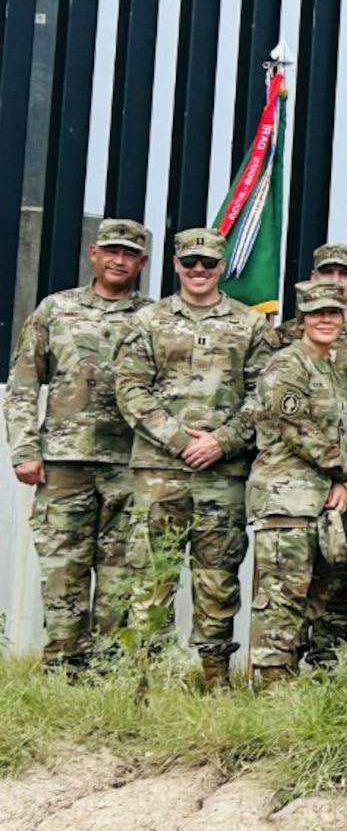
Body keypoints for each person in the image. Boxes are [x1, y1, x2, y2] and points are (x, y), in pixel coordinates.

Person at [113, 227, 274, 689]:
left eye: (208, 264)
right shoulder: (147, 321)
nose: (199, 271)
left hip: (222, 476)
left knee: (218, 584)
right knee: (152, 578)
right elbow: (130, 389)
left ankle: (213, 683)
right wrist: (180, 440)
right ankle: (146, 685)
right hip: (159, 471)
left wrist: (222, 441)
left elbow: (262, 396)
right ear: (177, 265)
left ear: (222, 267)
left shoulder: (250, 324)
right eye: (190, 263)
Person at [7, 219, 152, 670]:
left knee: (121, 573)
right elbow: (24, 382)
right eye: (112, 250)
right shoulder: (57, 309)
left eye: (130, 254)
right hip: (64, 462)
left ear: (142, 262)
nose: (119, 260)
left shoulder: (154, 317)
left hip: (129, 462)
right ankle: (62, 669)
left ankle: (107, 673)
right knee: (62, 571)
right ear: (95, 253)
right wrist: (24, 448)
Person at [245, 280, 347, 687]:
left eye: (333, 312)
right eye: (317, 313)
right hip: (285, 501)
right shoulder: (287, 365)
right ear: (302, 319)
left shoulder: (330, 368)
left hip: (316, 503)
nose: (326, 320)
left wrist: (340, 485)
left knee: (309, 601)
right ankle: (270, 695)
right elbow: (299, 430)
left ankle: (289, 695)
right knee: (281, 602)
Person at [273, 243, 347, 667]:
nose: (334, 281)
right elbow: (269, 411)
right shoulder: (286, 338)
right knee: (289, 584)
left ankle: (327, 675)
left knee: (340, 585)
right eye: (325, 273)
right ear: (312, 281)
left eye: (343, 273)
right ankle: (278, 677)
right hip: (296, 481)